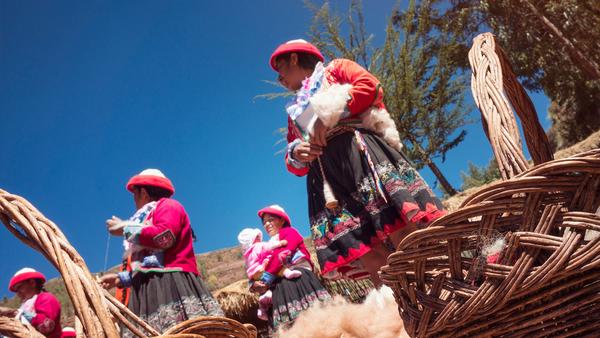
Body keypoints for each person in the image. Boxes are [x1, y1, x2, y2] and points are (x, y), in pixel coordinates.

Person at [269, 39, 447, 286]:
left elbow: (371, 88)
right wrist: (298, 152)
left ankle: (436, 290)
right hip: (328, 177)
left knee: (398, 227)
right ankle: (404, 309)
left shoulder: (336, 70)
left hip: (360, 156)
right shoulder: (295, 110)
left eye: (280, 71)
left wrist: (326, 117)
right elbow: (293, 163)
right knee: (366, 248)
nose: (281, 80)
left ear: (294, 59)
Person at [99, 169, 223, 336]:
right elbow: (145, 266)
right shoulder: (143, 220)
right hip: (146, 294)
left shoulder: (169, 206)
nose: (134, 199)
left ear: (143, 192)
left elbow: (164, 237)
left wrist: (126, 228)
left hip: (171, 286)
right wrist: (119, 279)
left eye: (134, 194)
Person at [251, 205, 331, 333]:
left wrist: (265, 279)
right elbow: (259, 267)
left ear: (282, 220)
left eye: (271, 220)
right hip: (278, 288)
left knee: (316, 323)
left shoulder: (290, 232)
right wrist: (254, 284)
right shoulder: (267, 246)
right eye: (264, 222)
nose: (267, 224)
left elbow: (282, 255)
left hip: (298, 281)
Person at [237, 228, 302, 320]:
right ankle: (288, 273)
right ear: (252, 239)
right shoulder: (259, 246)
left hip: (255, 275)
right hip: (264, 271)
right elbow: (268, 247)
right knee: (279, 269)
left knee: (264, 288)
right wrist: (280, 243)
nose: (259, 238)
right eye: (257, 237)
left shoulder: (248, 255)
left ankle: (262, 309)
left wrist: (253, 282)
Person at [0, 268, 62, 338]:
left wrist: (17, 314)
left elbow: (46, 326)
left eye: (19, 287)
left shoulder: (46, 298)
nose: (18, 294)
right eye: (16, 291)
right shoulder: (25, 306)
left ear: (32, 283)